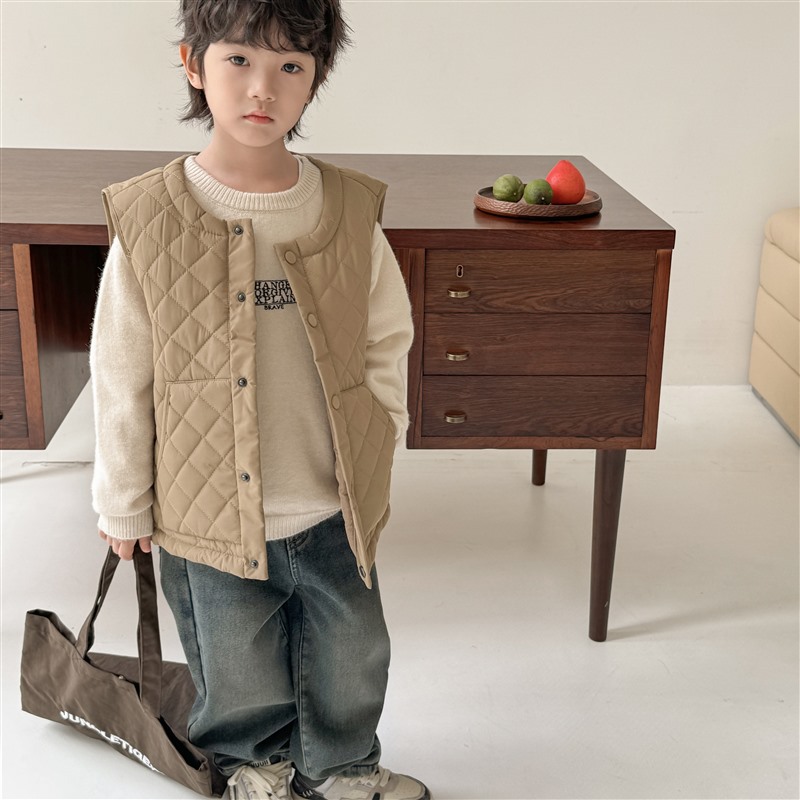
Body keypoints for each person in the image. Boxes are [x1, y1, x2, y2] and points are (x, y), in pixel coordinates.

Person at [89, 1, 427, 798]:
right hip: (205, 512)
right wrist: (123, 501)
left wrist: (382, 431)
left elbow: (386, 336)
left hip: (330, 503)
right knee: (233, 663)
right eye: (239, 59)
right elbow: (122, 370)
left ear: (316, 79)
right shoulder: (150, 217)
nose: (262, 87)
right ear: (192, 63)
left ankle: (341, 768)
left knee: (353, 654)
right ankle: (253, 769)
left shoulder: (347, 208)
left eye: (290, 67)